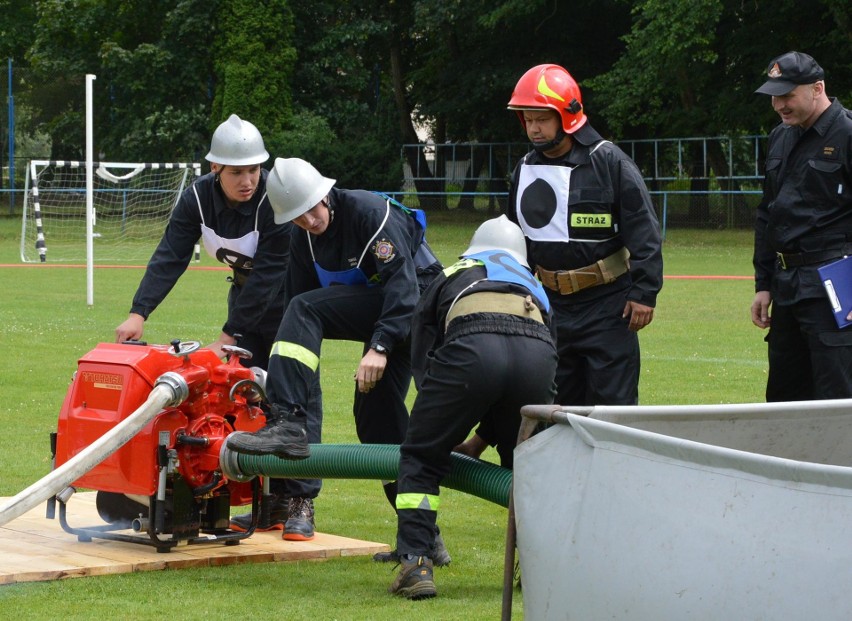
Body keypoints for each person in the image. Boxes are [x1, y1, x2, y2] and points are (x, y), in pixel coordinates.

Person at [451, 63, 664, 460]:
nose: (533, 128)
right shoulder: (525, 167)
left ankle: (613, 501)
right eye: (527, 120)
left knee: (612, 411)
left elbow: (644, 231)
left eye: (541, 119)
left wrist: (645, 292)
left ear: (566, 114)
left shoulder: (610, 162)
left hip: (608, 307)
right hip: (548, 307)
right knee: (547, 402)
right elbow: (512, 236)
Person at [226, 157, 443, 542]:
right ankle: (422, 536)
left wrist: (379, 346)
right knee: (377, 420)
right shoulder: (302, 238)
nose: (308, 221)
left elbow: (403, 286)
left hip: (418, 305)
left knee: (306, 311)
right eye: (297, 217)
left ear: (325, 194)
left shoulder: (369, 213)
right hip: (383, 310)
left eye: (311, 209)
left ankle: (288, 422)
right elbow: (298, 307)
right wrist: (293, 374)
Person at [386, 216, 557, 600]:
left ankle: (415, 562)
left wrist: (437, 426)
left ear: (473, 247)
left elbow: (424, 357)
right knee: (529, 464)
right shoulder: (534, 284)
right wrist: (486, 439)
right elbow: (543, 361)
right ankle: (537, 568)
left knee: (420, 456)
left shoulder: (451, 273)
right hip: (536, 355)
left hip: (470, 345)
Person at [114, 114, 290, 370]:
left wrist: (228, 336)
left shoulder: (275, 199)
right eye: (237, 172)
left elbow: (268, 274)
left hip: (287, 299)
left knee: (290, 390)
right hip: (245, 299)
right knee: (245, 390)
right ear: (215, 167)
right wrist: (138, 313)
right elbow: (170, 257)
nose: (248, 181)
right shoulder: (196, 199)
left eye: (254, 170)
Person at [751, 51, 852, 401]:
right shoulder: (780, 137)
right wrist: (763, 284)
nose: (779, 104)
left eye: (787, 94)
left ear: (817, 88)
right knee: (783, 396)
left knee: (835, 394)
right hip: (787, 287)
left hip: (836, 284)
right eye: (774, 96)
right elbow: (768, 215)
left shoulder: (848, 134)